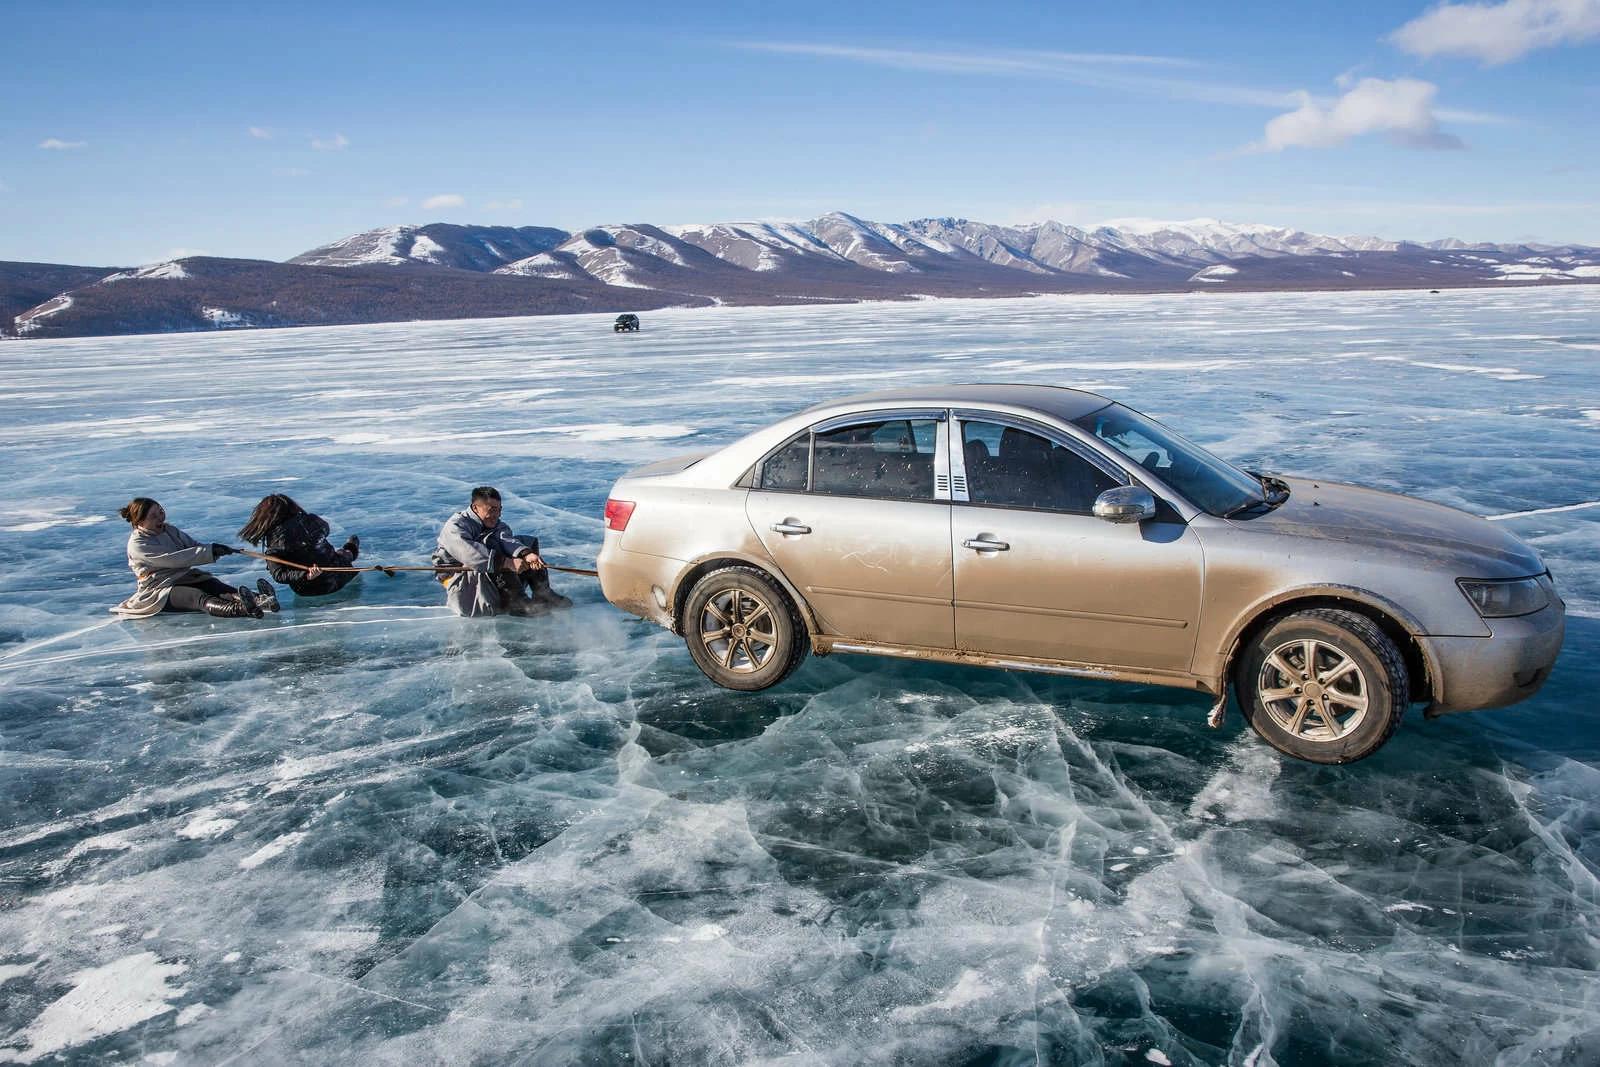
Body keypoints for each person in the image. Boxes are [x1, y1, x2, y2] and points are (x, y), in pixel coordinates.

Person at [110, 497, 279, 619]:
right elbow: (173, 559)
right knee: (198, 597)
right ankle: (241, 609)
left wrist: (216, 549)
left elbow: (192, 546)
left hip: (184, 577)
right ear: (139, 521)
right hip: (159, 589)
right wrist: (209, 552)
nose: (161, 517)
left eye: (160, 511)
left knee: (216, 586)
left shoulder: (169, 530)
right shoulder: (138, 543)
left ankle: (260, 600)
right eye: (153, 516)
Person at [433, 486, 571, 618]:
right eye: (492, 510)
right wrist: (507, 563)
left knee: (526, 542)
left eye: (499, 510)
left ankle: (543, 594)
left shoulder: (495, 523)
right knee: (492, 548)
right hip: (461, 578)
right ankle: (516, 603)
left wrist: (526, 554)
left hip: (485, 573)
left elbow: (506, 540)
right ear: (475, 508)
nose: (496, 515)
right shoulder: (455, 526)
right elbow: (470, 554)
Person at [238, 494, 361, 597]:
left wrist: (305, 575)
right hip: (344, 573)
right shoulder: (311, 520)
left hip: (313, 589)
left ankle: (350, 549)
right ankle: (351, 549)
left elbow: (279, 575)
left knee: (336, 555)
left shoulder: (276, 543)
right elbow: (326, 529)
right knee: (340, 555)